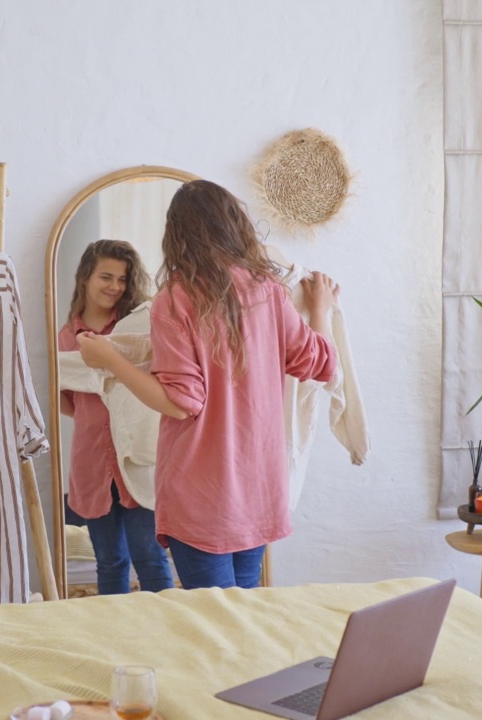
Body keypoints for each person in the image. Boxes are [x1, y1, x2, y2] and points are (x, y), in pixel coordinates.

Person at [79, 180, 338, 590]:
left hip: (202, 496)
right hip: (258, 490)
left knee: (213, 625)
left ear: (177, 235)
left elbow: (181, 402)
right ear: (235, 225)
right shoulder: (268, 291)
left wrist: (110, 360)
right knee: (241, 622)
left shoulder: (177, 298)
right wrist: (321, 309)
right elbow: (322, 362)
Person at [58, 239, 174, 595]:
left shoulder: (135, 326)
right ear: (85, 279)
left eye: (122, 279)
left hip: (136, 455)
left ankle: (164, 634)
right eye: (106, 277)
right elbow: (64, 401)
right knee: (109, 562)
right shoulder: (65, 336)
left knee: (150, 558)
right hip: (91, 460)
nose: (115, 287)